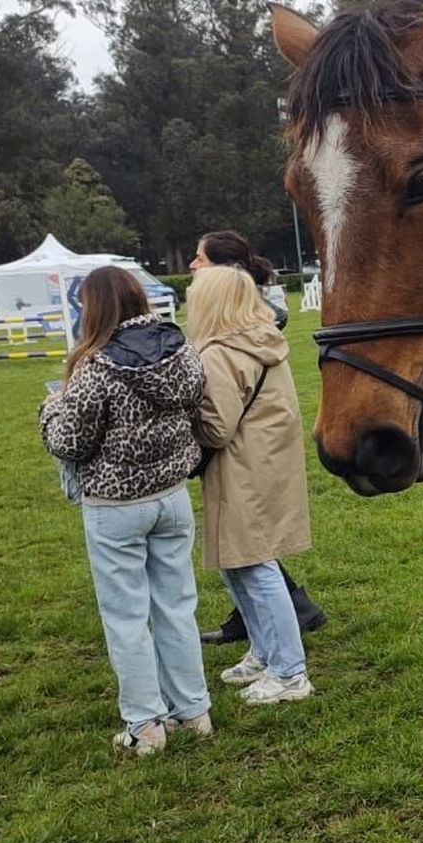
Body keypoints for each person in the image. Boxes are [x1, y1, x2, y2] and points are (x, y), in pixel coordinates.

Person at [38, 266, 212, 757]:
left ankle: (146, 724)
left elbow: (69, 441)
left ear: (91, 308)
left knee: (126, 618)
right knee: (177, 608)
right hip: (173, 496)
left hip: (115, 506)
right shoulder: (183, 351)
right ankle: (194, 711)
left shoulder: (95, 367)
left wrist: (50, 409)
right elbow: (196, 405)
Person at [188, 229, 327, 641]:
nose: (193, 267)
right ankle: (264, 651)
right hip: (264, 459)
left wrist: (181, 417)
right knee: (249, 560)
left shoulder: (221, 351)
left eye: (199, 259)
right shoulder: (262, 338)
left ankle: (285, 665)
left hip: (243, 464)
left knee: (253, 563)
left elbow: (216, 427)